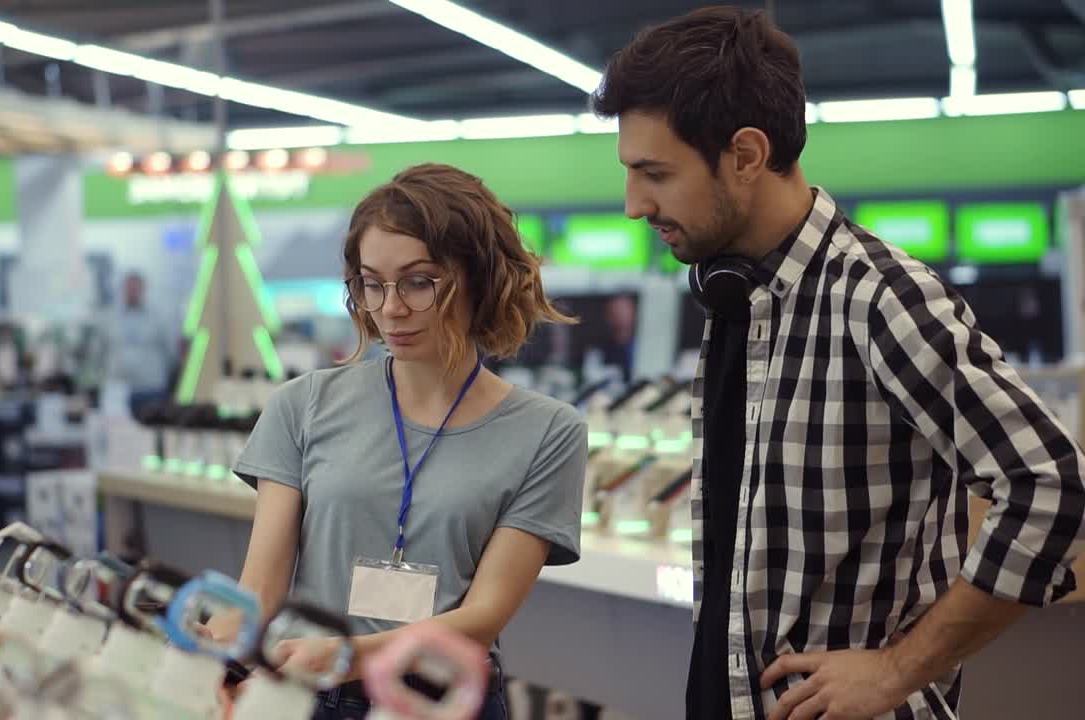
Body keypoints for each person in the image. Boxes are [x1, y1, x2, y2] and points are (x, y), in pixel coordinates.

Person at [592, 7, 1084, 720]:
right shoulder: (739, 297)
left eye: (656, 173)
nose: (635, 205)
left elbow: (1051, 485)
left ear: (747, 154)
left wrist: (896, 671)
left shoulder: (879, 298)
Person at [206, 163, 588, 720]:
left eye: (418, 281)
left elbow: (484, 615)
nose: (391, 307)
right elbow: (260, 588)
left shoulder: (548, 432)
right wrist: (209, 655)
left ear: (478, 278)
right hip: (306, 694)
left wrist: (348, 654)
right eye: (372, 283)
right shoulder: (304, 404)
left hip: (445, 700)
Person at [103, 272, 175, 412]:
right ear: (123, 289)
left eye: (136, 288)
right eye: (129, 288)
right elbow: (103, 351)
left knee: (153, 429)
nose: (132, 291)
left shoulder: (158, 317)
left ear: (143, 289)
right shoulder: (110, 318)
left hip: (151, 389)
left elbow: (170, 353)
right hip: (119, 390)